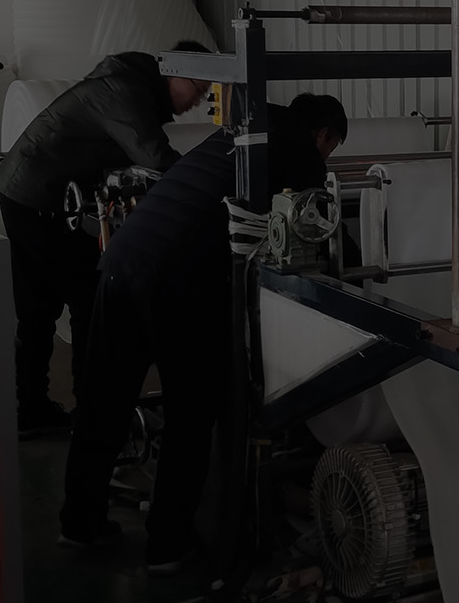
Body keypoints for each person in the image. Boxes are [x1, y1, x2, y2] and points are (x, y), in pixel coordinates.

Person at [58, 94, 349, 567]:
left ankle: (79, 524)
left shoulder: (241, 130)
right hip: (176, 282)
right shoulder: (302, 156)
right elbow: (322, 228)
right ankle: (168, 547)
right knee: (190, 415)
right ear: (323, 135)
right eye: (331, 148)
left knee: (104, 401)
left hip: (124, 259)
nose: (327, 158)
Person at [0, 40, 213, 435]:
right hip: (37, 197)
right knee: (79, 302)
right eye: (197, 89)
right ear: (174, 72)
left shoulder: (131, 85)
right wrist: (213, 182)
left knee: (46, 308)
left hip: (32, 191)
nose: (198, 101)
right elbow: (155, 158)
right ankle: (84, 413)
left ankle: (41, 410)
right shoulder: (125, 92)